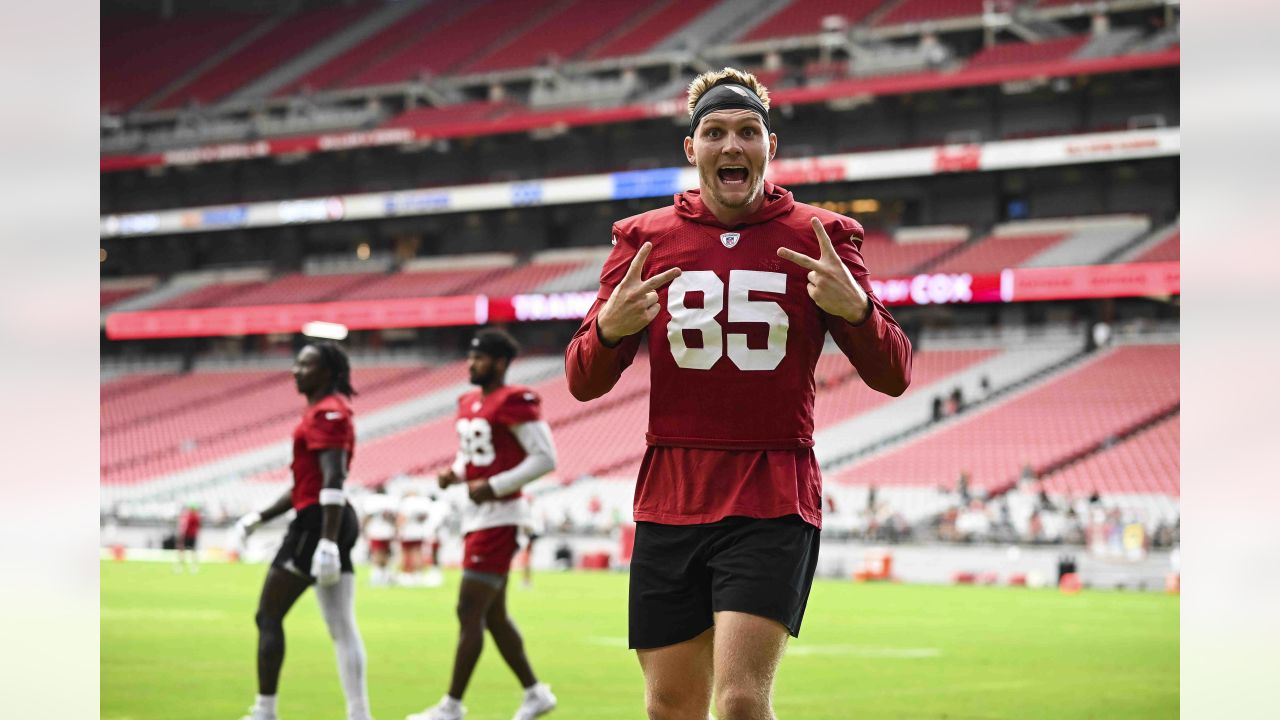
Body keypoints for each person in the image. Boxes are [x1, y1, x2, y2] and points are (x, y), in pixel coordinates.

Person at [564, 67, 912, 719]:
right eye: (716, 132)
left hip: (771, 489)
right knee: (670, 706)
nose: (732, 146)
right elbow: (583, 381)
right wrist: (610, 330)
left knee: (742, 703)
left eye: (747, 133)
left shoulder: (822, 234)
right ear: (690, 150)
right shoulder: (643, 239)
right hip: (671, 489)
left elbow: (895, 373)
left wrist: (858, 309)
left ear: (770, 149)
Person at [408, 329, 558, 720]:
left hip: (503, 516)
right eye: (471, 357)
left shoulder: (515, 400)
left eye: (480, 358)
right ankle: (535, 693)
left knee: (468, 609)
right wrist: (456, 474)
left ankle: (452, 706)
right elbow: (475, 455)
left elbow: (545, 458)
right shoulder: (467, 402)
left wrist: (493, 486)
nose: (472, 363)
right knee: (492, 615)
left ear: (501, 363)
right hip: (479, 516)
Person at [232, 342, 372, 720]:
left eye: (305, 364)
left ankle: (265, 710)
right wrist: (258, 517)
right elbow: (304, 484)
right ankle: (359, 714)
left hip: (317, 524)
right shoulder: (323, 411)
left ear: (327, 371)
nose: (296, 370)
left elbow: (333, 476)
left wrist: (325, 541)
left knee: (268, 615)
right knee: (341, 625)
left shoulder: (328, 413)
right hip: (327, 519)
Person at [362, 487, 399, 587]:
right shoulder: (391, 501)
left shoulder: (373, 500)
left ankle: (377, 576)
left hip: (376, 531)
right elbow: (394, 518)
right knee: (386, 554)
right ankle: (385, 575)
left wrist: (363, 528)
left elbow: (367, 516)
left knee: (377, 553)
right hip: (388, 531)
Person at [174, 501, 201, 573]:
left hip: (188, 535)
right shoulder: (195, 516)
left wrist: (182, 533)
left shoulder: (190, 516)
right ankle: (192, 566)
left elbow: (184, 526)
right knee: (190, 551)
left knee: (184, 551)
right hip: (191, 535)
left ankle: (181, 566)